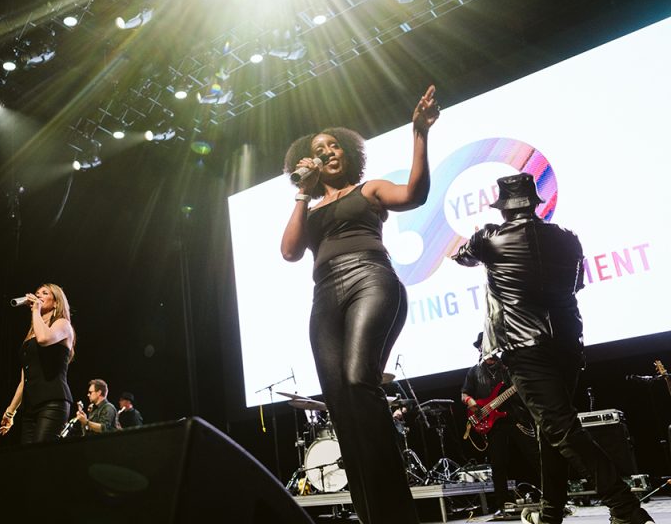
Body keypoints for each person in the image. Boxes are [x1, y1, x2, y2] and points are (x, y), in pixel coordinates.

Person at [452, 173, 654, 524]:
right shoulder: (568, 238)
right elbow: (578, 285)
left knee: (559, 429)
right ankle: (550, 514)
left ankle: (626, 508)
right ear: (534, 204)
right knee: (551, 431)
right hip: (568, 344)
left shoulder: (488, 238)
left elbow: (462, 257)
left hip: (524, 346)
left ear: (503, 208)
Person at [280, 85, 439, 524]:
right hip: (325, 296)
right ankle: (374, 517)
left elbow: (414, 194)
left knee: (356, 382)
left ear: (347, 153)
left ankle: (398, 515)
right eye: (318, 150)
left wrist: (420, 133)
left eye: (333, 145)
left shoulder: (369, 190)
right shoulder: (310, 209)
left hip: (370, 279)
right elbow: (290, 252)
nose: (327, 151)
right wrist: (302, 193)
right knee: (341, 406)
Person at [461, 332, 540, 517]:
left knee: (535, 456)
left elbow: (522, 387)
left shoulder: (507, 367)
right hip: (493, 424)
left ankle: (552, 496)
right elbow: (464, 394)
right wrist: (471, 401)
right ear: (480, 349)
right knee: (498, 464)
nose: (487, 350)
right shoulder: (474, 372)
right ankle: (502, 504)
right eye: (483, 347)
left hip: (515, 418)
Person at [0, 284, 76, 444]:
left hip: (53, 401)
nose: (38, 295)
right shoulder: (32, 333)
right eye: (37, 293)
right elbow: (24, 379)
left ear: (56, 302)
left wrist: (35, 309)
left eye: (44, 293)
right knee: (27, 455)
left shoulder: (63, 324)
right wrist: (10, 412)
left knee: (41, 454)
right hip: (30, 405)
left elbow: (44, 339)